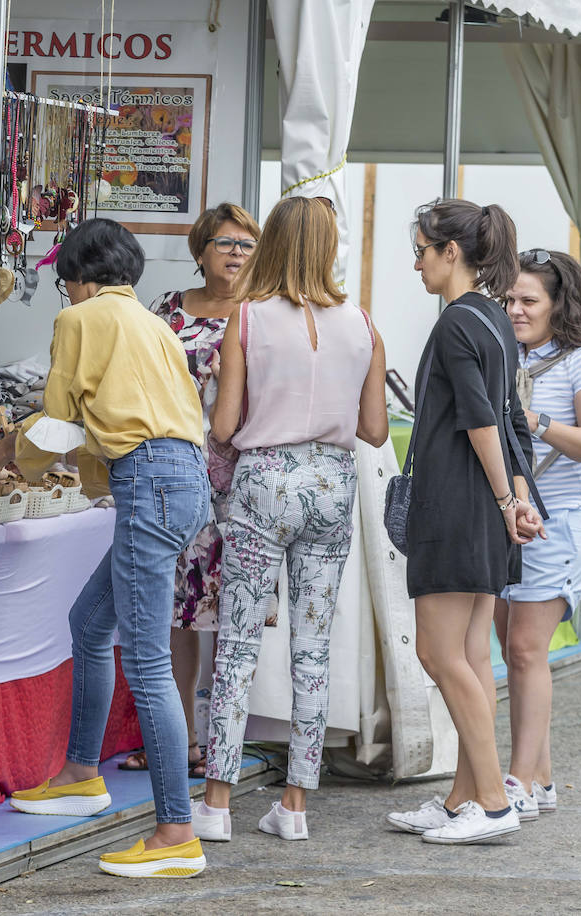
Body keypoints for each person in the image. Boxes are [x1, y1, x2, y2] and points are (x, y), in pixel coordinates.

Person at [9, 218, 212, 879]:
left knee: (149, 666)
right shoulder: (156, 325)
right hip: (180, 482)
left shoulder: (83, 318)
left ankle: (176, 831)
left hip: (149, 482)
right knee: (89, 624)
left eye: (64, 283)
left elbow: (61, 413)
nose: (64, 295)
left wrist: (9, 453)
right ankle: (78, 774)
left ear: (82, 278)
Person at [197, 196, 388, 843]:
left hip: (264, 484)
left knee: (238, 644)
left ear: (272, 243)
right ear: (331, 245)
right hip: (331, 485)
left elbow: (223, 429)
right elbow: (375, 429)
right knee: (313, 648)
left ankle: (217, 805)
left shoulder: (247, 320)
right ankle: (296, 806)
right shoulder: (362, 323)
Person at [385, 198, 545, 846]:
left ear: (452, 253)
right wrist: (516, 496)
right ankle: (463, 798)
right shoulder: (493, 319)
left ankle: (490, 800)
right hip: (483, 501)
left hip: (458, 502)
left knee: (439, 651)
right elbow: (509, 419)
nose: (417, 262)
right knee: (470, 651)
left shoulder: (458, 322)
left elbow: (483, 419)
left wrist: (511, 501)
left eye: (422, 250)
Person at [122, 202, 260, 779]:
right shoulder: (168, 311)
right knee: (177, 609)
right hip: (177, 468)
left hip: (243, 475)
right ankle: (179, 740)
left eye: (247, 244)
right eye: (224, 242)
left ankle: (222, 745)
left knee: (233, 614)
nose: (235, 253)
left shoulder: (264, 314)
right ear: (200, 249)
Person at [496, 249, 581, 819]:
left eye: (528, 301)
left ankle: (519, 779)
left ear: (557, 305)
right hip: (512, 518)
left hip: (562, 520)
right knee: (514, 651)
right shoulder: (504, 352)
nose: (515, 310)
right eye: (510, 299)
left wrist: (535, 420)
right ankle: (538, 780)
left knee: (524, 649)